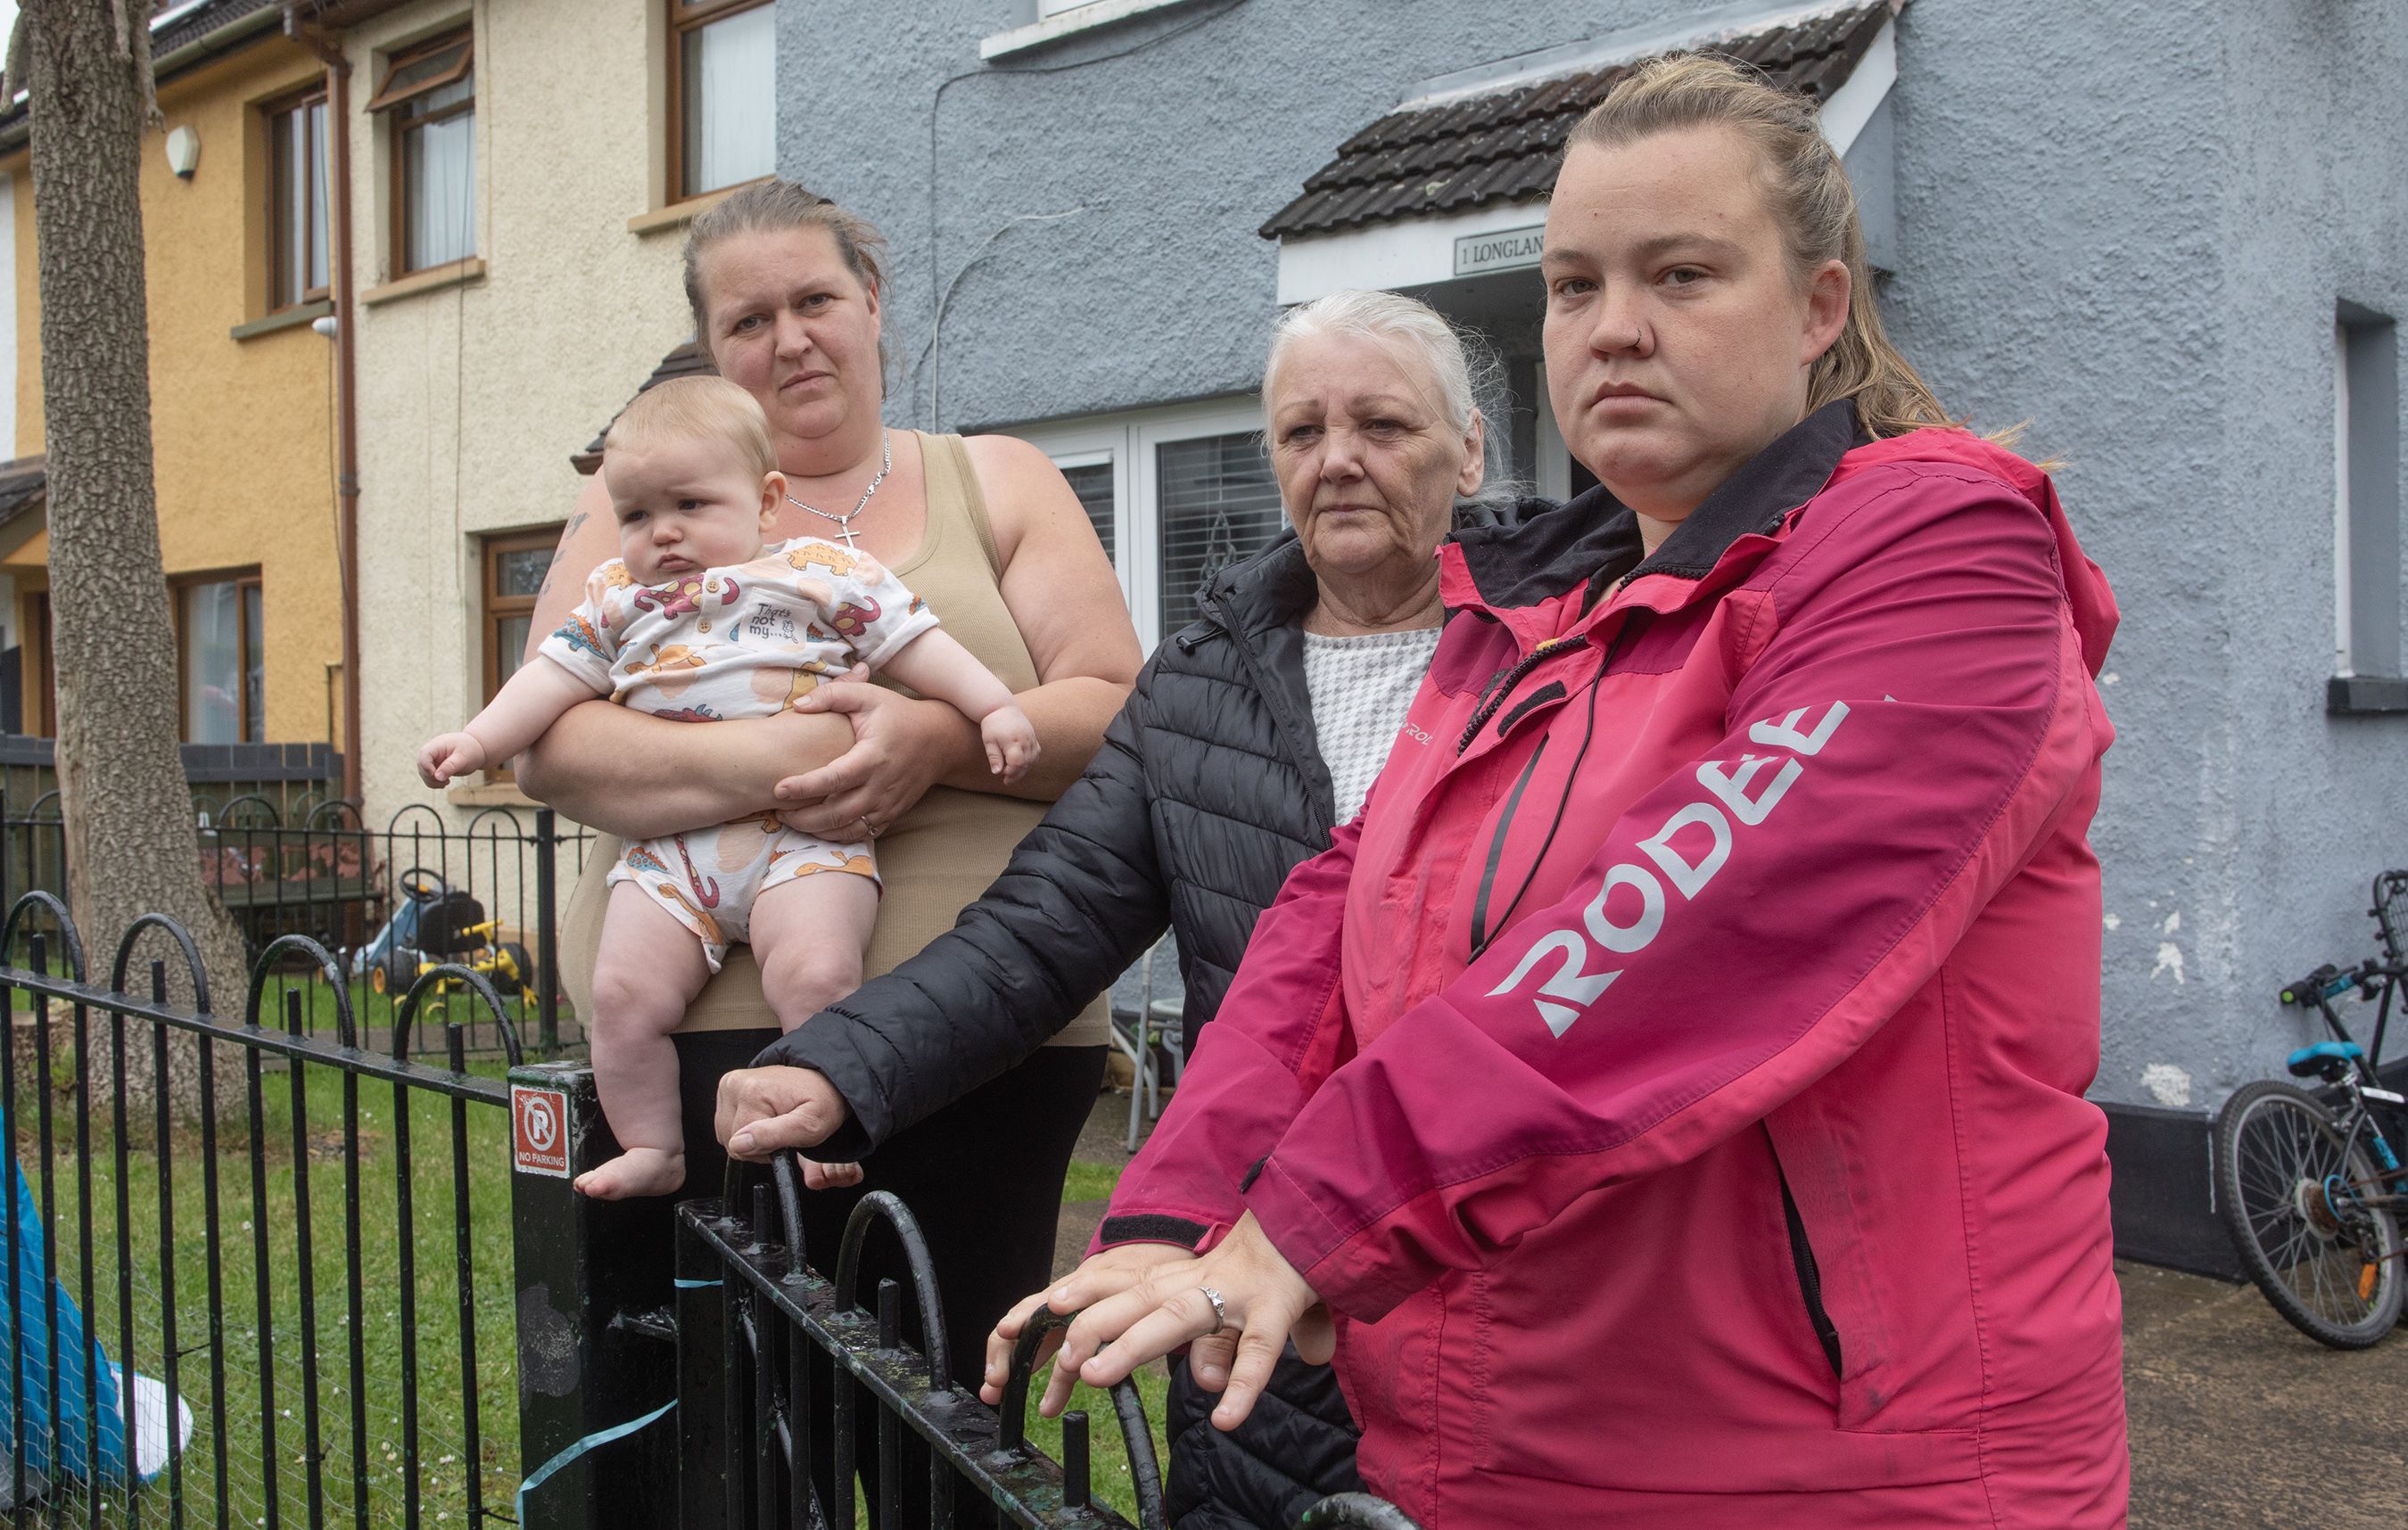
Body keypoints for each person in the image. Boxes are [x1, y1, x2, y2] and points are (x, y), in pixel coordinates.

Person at [986, 54, 2130, 1529]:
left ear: (1820, 308)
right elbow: (1328, 934)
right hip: (1492, 1461)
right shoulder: (1536, 622)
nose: (1618, 330)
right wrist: (1176, 1216)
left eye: (1684, 275)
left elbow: (1695, 924)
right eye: (1575, 285)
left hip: (1838, 1476)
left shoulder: (1936, 546)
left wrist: (1317, 1214)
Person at [715, 287, 1523, 1528]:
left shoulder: (1576, 644)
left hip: (1508, 1260)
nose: (1340, 460)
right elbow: (1045, 922)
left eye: (1385, 426)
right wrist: (840, 1063)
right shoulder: (1204, 682)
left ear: (1468, 449)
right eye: (1303, 432)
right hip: (1247, 1261)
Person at [512, 179, 1137, 1378]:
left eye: (816, 300)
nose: (790, 339)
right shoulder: (641, 502)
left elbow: (1113, 708)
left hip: (986, 1026)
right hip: (695, 1035)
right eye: (749, 322)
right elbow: (556, 742)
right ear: (712, 348)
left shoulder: (996, 478)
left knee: (944, 1425)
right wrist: (802, 757)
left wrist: (936, 744)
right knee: (724, 1444)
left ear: (872, 303)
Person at [420, 376, 1038, 1200]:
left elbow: (915, 644)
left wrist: (992, 707)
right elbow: (549, 679)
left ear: (767, 500)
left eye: (691, 505)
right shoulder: (616, 599)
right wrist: (477, 739)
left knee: (817, 976)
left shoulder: (820, 572)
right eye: (637, 515)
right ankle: (652, 1147)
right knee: (621, 995)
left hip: (805, 837)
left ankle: (822, 1122)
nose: (663, 533)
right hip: (674, 856)